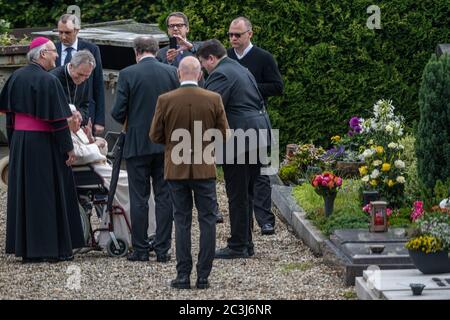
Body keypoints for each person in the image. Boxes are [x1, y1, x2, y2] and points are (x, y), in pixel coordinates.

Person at [0, 37, 84, 263]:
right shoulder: (48, 81)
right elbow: (57, 121)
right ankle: (49, 249)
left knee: (26, 194)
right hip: (44, 144)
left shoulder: (15, 77)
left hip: (21, 142)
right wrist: (68, 149)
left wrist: (15, 142)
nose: (57, 55)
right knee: (47, 195)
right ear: (41, 54)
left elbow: (10, 117)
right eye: (52, 51)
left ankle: (27, 250)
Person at [150, 56, 229, 289]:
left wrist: (174, 144)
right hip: (204, 166)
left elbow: (155, 135)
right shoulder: (213, 98)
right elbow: (224, 134)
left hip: (176, 167)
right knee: (207, 220)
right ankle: (203, 275)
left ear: (178, 74)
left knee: (181, 220)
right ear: (200, 74)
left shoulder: (165, 100)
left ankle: (183, 275)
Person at [198, 39, 272, 259]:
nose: (204, 69)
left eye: (203, 63)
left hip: (240, 138)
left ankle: (238, 245)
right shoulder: (239, 68)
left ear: (211, 58)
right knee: (247, 192)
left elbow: (210, 107)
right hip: (257, 133)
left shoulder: (220, 74)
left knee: (237, 193)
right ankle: (246, 243)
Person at [111, 36, 179, 262]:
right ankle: (162, 250)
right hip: (166, 144)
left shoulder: (128, 74)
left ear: (136, 52)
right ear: (156, 51)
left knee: (138, 198)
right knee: (164, 197)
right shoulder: (171, 72)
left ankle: (140, 249)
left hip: (138, 144)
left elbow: (118, 112)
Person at [227, 17, 284, 236]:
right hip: (232, 125)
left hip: (254, 120)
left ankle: (265, 219)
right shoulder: (227, 57)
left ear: (249, 34)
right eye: (231, 34)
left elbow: (277, 86)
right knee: (238, 177)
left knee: (260, 172)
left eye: (237, 35)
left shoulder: (263, 57)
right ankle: (243, 223)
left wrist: (247, 88)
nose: (233, 39)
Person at [67, 109, 156, 248]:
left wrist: (91, 139)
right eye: (76, 118)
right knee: (134, 183)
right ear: (68, 120)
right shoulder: (67, 135)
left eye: (79, 117)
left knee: (140, 182)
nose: (79, 121)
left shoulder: (78, 132)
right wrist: (94, 144)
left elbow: (101, 150)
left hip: (100, 168)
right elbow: (79, 155)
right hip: (93, 172)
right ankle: (137, 233)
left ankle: (147, 231)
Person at [56, 14, 105, 134]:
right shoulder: (52, 49)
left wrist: (100, 120)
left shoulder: (91, 49)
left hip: (84, 113)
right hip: (58, 114)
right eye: (60, 32)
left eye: (67, 32)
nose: (63, 36)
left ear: (77, 30)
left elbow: (98, 85)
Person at [50, 50, 95, 123]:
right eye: (79, 74)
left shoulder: (85, 76)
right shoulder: (53, 78)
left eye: (86, 76)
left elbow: (85, 105)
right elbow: (49, 107)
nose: (82, 79)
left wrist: (80, 115)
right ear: (71, 66)